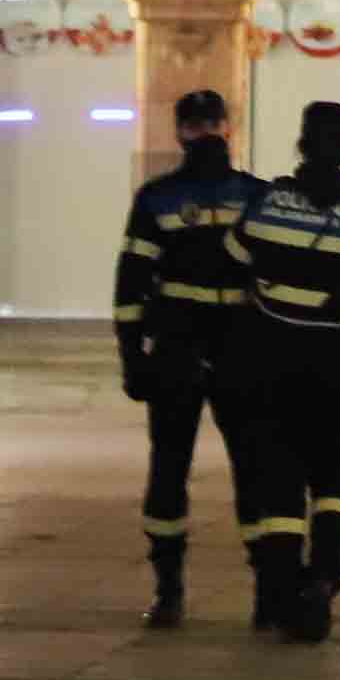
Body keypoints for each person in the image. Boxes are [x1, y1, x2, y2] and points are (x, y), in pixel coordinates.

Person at [228, 98, 340, 643]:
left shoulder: (265, 205)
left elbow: (231, 271)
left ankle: (281, 592)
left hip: (268, 363)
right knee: (331, 482)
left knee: (278, 479)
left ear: (301, 144)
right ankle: (324, 580)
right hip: (337, 369)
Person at [115, 87, 277, 631]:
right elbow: (131, 282)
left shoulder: (258, 196)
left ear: (227, 128)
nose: (206, 134)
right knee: (169, 468)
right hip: (183, 347)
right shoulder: (160, 198)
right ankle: (169, 588)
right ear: (180, 132)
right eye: (197, 126)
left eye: (213, 124)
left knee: (252, 470)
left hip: (237, 347)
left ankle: (264, 590)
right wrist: (131, 356)